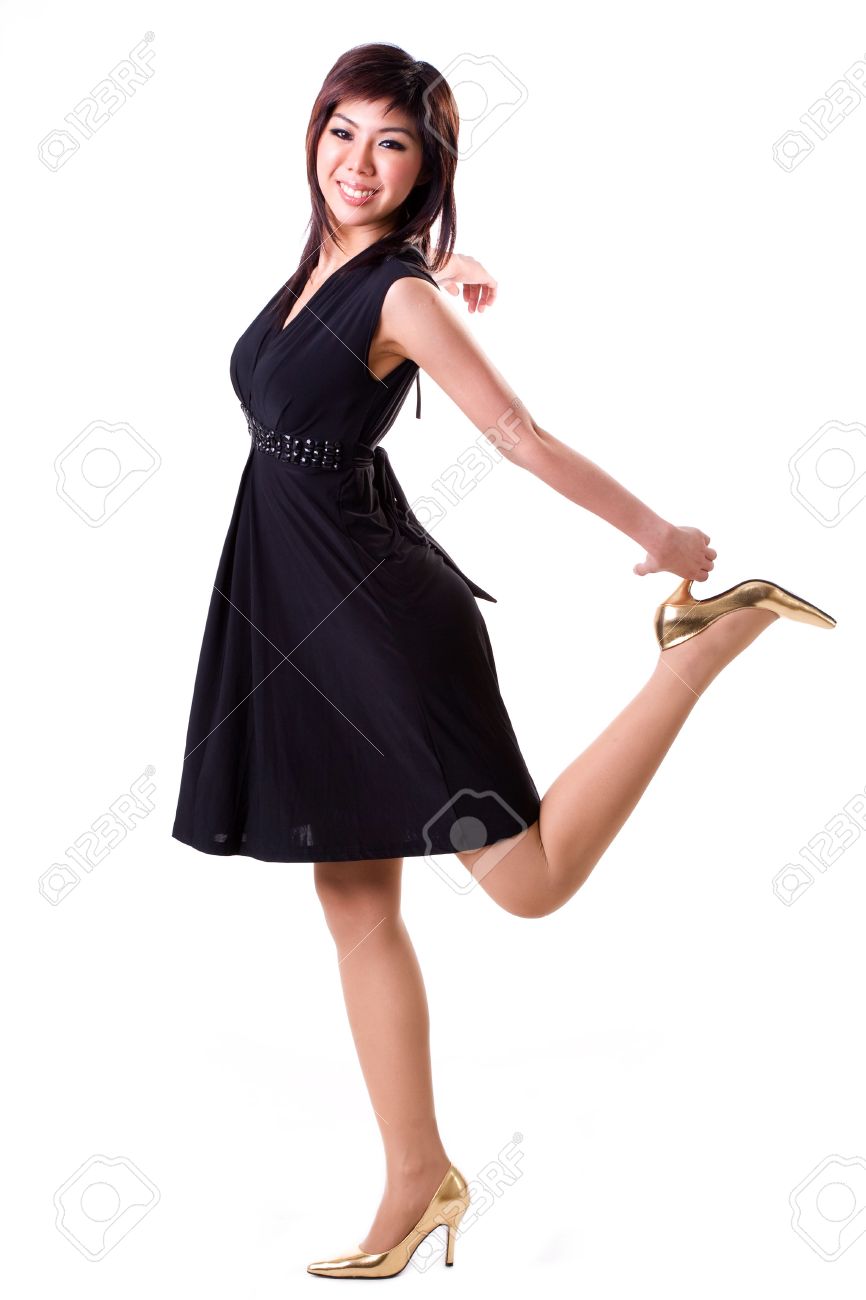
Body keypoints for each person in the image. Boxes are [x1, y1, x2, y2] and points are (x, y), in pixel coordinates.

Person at [170, 43, 836, 1279]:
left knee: (522, 882)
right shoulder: (332, 267)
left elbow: (517, 434)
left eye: (391, 144)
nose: (357, 163)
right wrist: (432, 263)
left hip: (374, 613)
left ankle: (697, 647)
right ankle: (417, 1177)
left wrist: (659, 535)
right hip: (292, 610)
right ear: (312, 137)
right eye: (341, 133)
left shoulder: (396, 292)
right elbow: (358, 321)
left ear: (427, 167)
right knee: (351, 895)